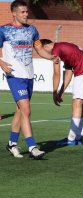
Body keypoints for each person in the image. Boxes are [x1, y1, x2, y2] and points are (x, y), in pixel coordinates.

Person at [0, 0, 51, 159]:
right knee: (26, 110)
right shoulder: (4, 30)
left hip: (29, 75)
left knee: (20, 111)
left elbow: (39, 49)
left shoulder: (32, 30)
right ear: (14, 13)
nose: (26, 14)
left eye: (27, 12)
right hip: (15, 75)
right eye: (22, 12)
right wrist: (1, 62)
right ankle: (32, 147)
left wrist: (52, 57)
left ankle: (11, 144)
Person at [39, 39, 83, 146]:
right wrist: (61, 91)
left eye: (41, 51)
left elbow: (57, 74)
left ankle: (71, 139)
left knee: (77, 103)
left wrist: (54, 93)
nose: (45, 54)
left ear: (45, 47)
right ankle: (78, 138)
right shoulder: (63, 48)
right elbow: (68, 73)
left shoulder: (56, 49)